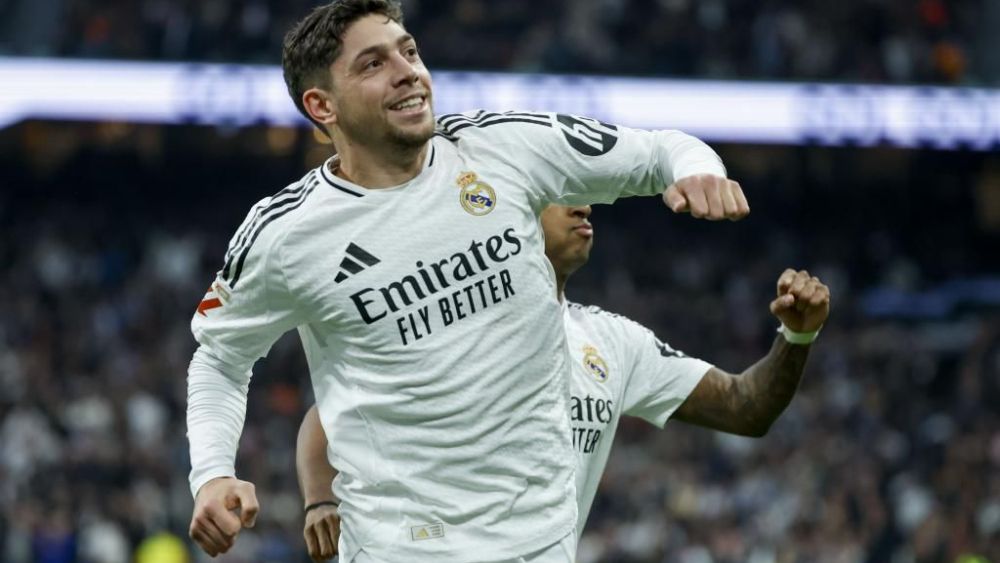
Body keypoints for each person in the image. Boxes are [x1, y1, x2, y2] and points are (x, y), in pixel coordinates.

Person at [185, 0, 750, 561]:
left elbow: (661, 149)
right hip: (399, 550)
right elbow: (220, 359)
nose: (408, 72)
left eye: (409, 52)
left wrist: (698, 171)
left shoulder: (502, 147)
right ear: (321, 105)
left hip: (542, 542)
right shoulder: (286, 234)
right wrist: (212, 474)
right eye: (374, 64)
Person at [295, 205, 831, 561]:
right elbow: (328, 415)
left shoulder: (612, 341)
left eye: (587, 193)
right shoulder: (442, 321)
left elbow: (745, 406)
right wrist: (320, 501)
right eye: (561, 194)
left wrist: (798, 336)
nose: (584, 206)